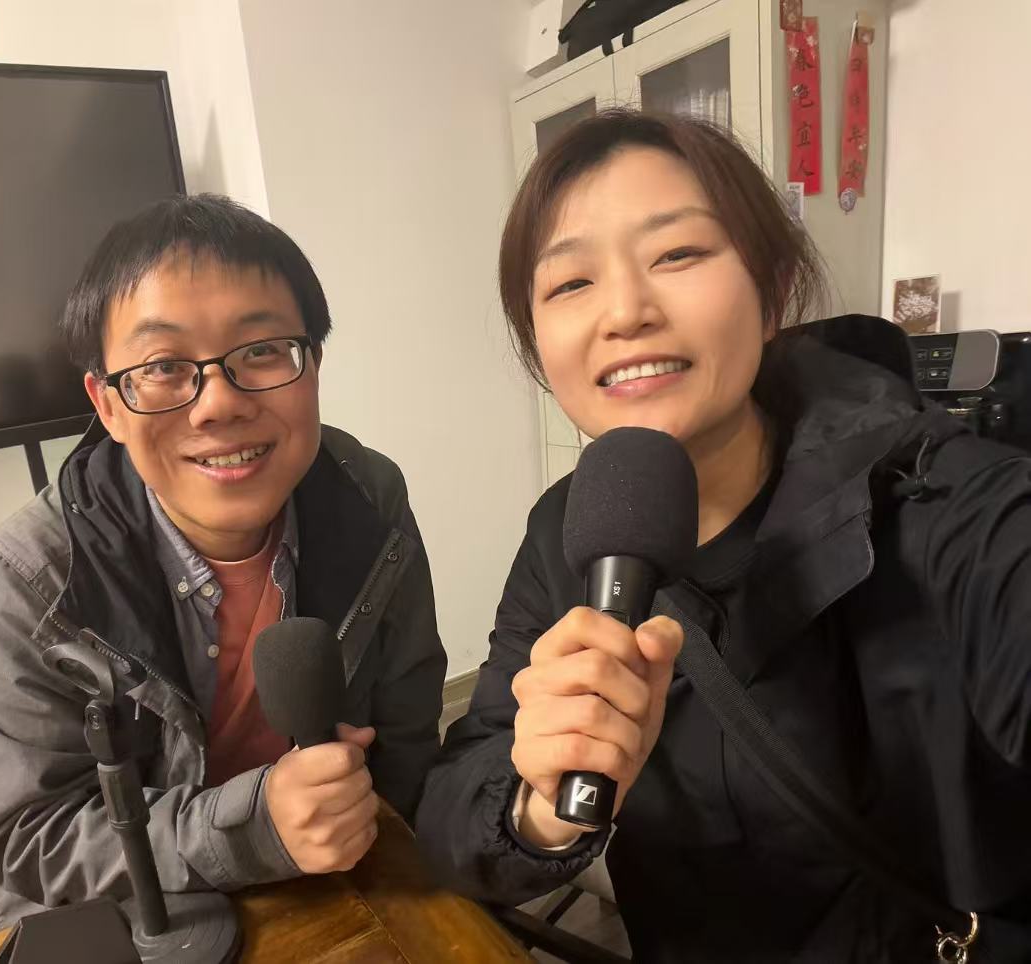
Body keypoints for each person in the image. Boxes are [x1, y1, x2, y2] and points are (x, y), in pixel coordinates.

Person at [416, 109, 1031, 961]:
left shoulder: (937, 497)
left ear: (771, 293)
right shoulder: (565, 530)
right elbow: (453, 806)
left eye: (676, 254)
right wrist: (538, 807)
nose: (625, 312)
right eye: (570, 283)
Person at [0, 195, 446, 948]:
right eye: (163, 368)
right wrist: (251, 830)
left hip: (328, 879)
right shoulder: (34, 574)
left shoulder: (369, 497)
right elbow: (28, 836)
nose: (218, 404)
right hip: (117, 917)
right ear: (108, 405)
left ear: (312, 366)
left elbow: (406, 727)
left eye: (262, 350)